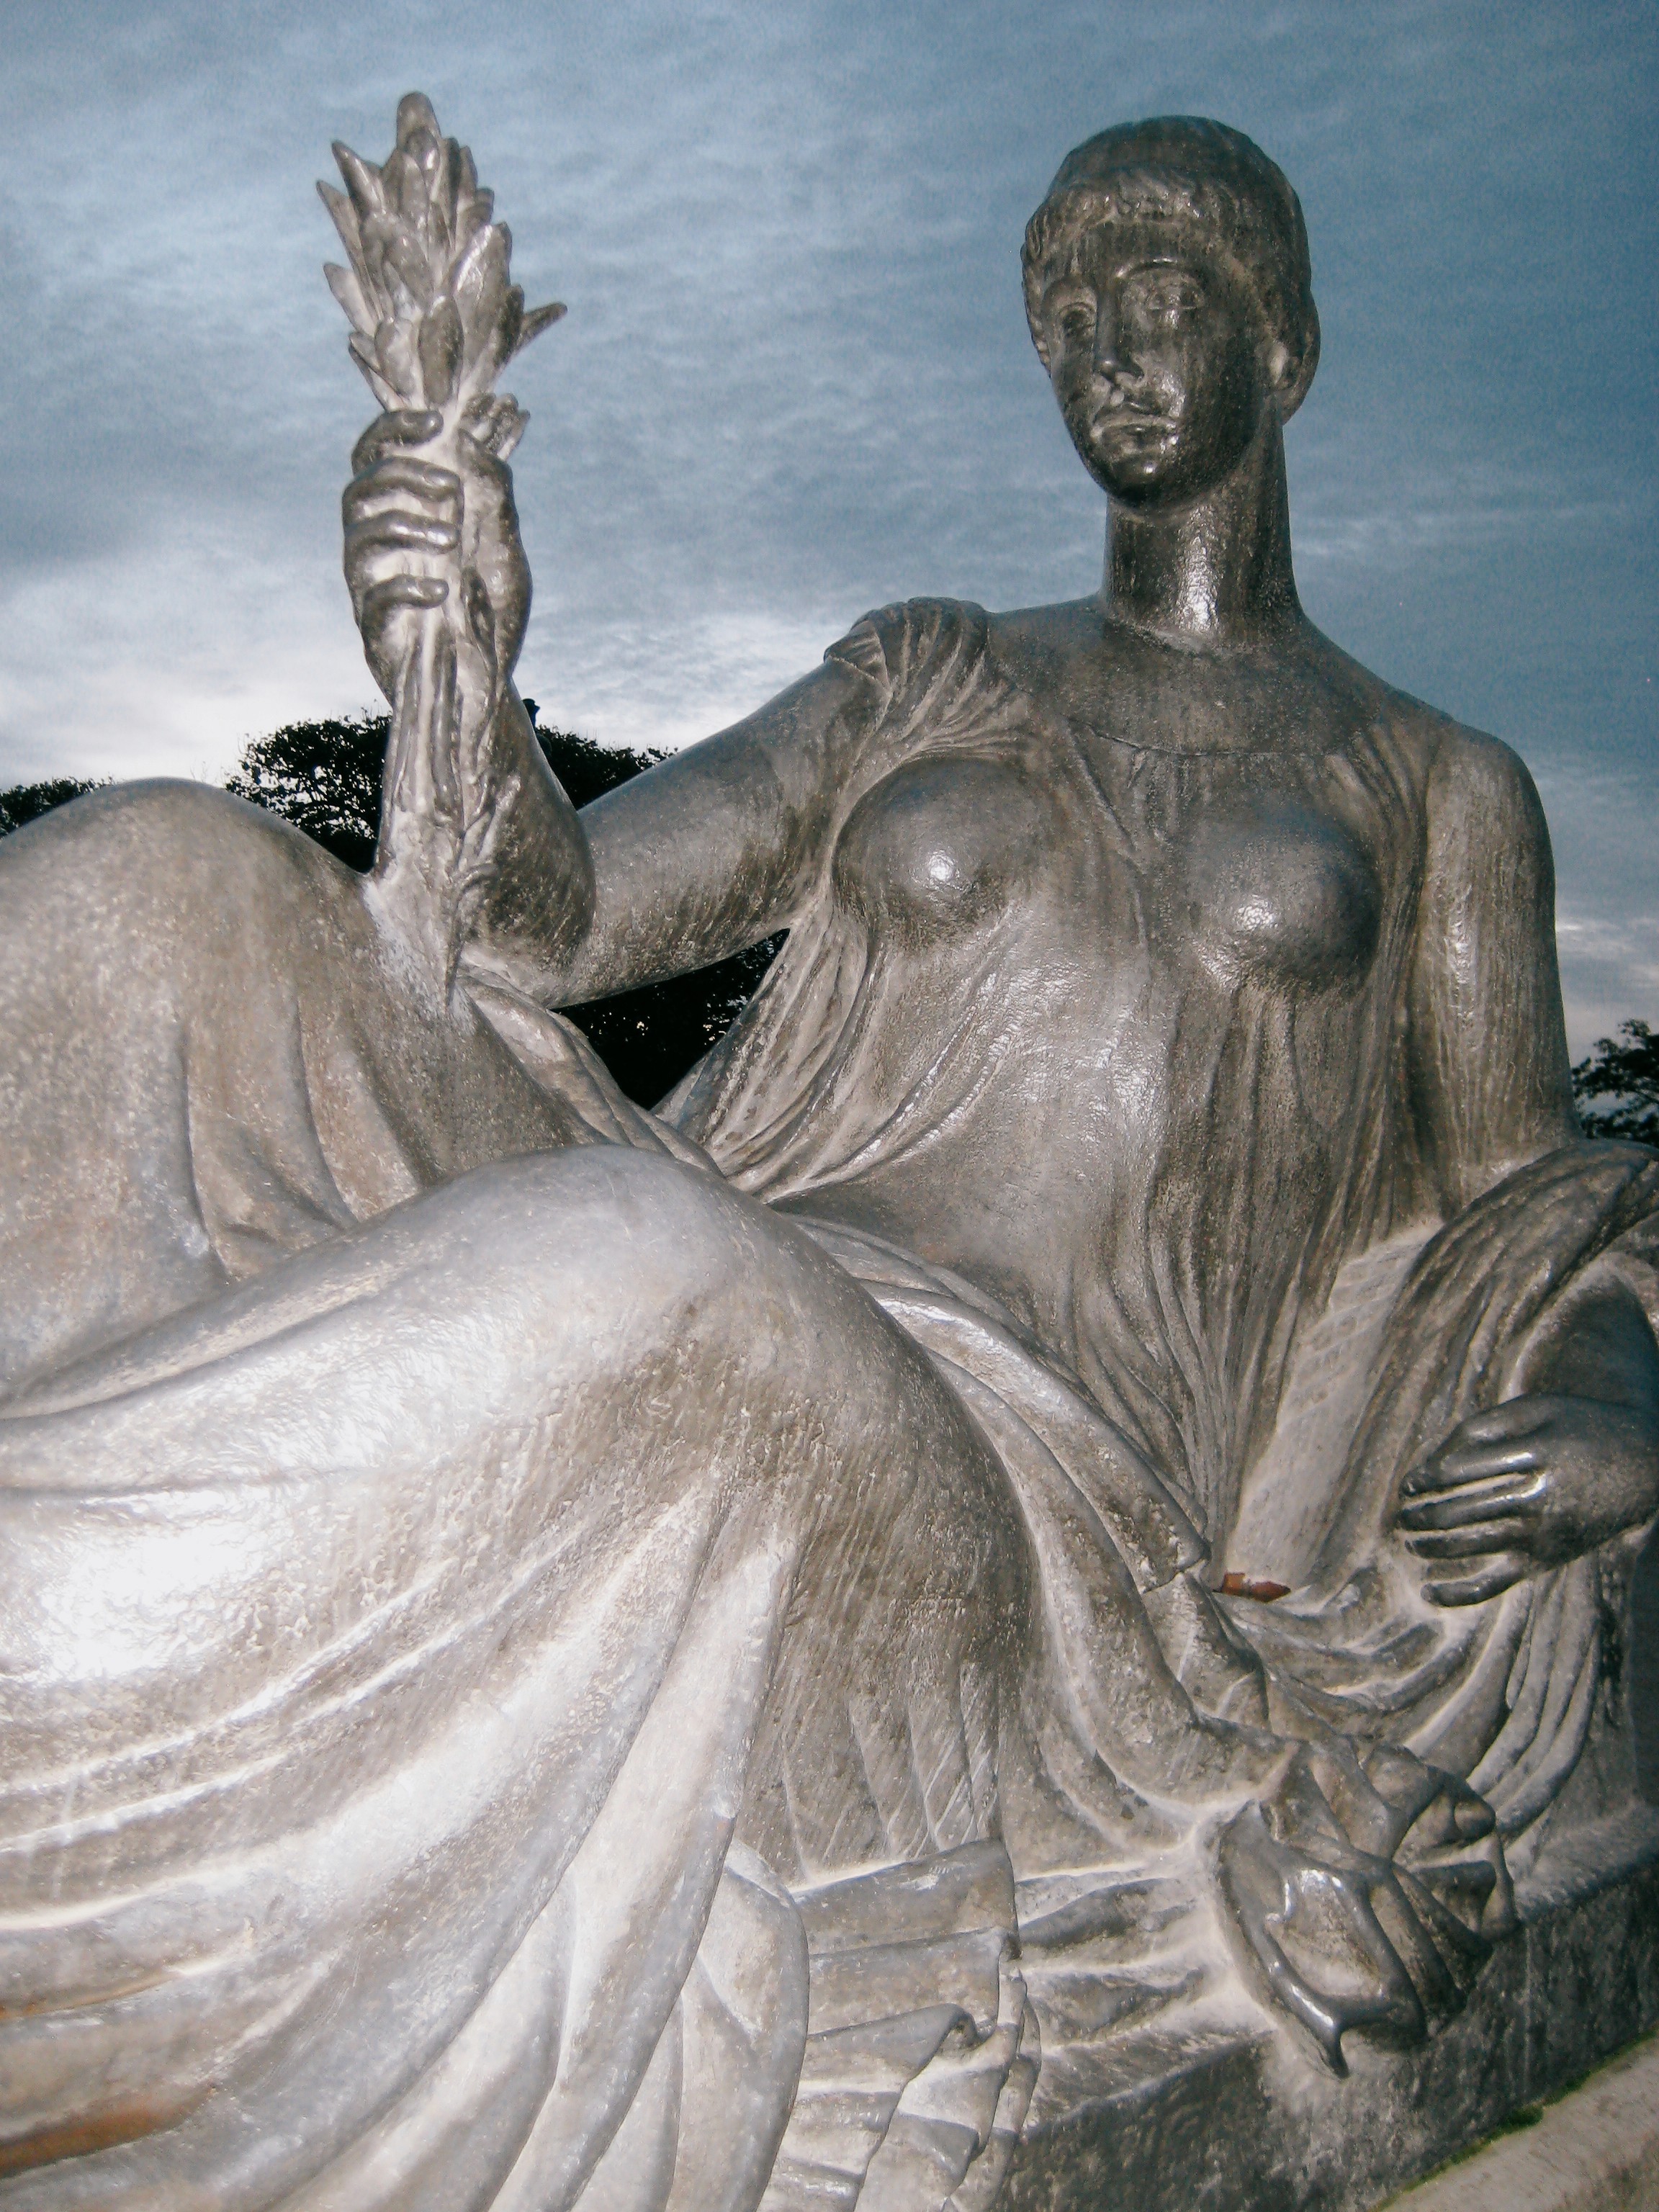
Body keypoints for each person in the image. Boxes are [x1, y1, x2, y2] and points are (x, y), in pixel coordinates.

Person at [0, 112, 1651, 2212]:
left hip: (1035, 1494)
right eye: (1073, 316)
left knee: (654, 1287)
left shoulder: (1436, 786)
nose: (1112, 349)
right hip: (750, 1240)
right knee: (163, 883)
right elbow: (554, 926)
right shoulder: (928, 670)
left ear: (1287, 349)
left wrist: (1613, 1399)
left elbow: (1539, 1200)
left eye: (1168, 300)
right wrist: (466, 648)